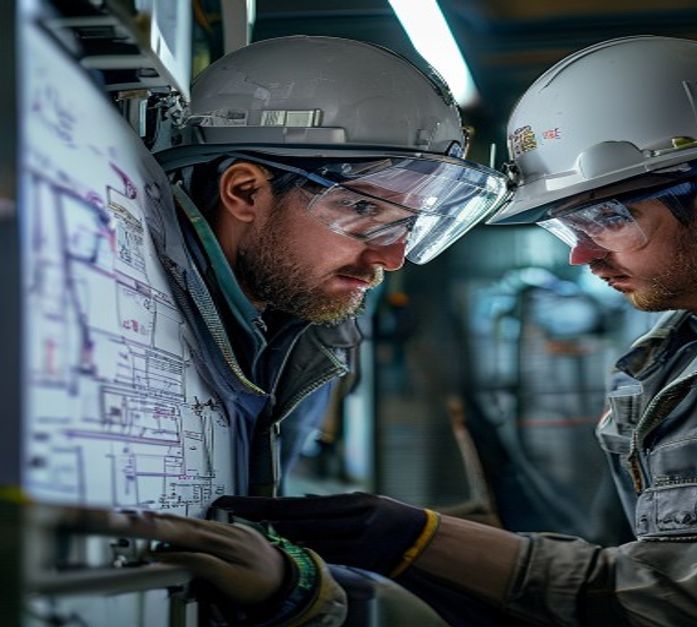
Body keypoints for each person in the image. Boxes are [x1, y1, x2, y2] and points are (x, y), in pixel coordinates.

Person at [93, 36, 697, 626]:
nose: (579, 260)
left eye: (602, 218)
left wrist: (438, 545)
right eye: (560, 229)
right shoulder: (681, 365)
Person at [88, 34, 507, 625]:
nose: (391, 258)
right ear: (245, 191)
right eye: (364, 212)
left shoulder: (317, 329)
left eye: (406, 226)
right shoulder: (122, 294)